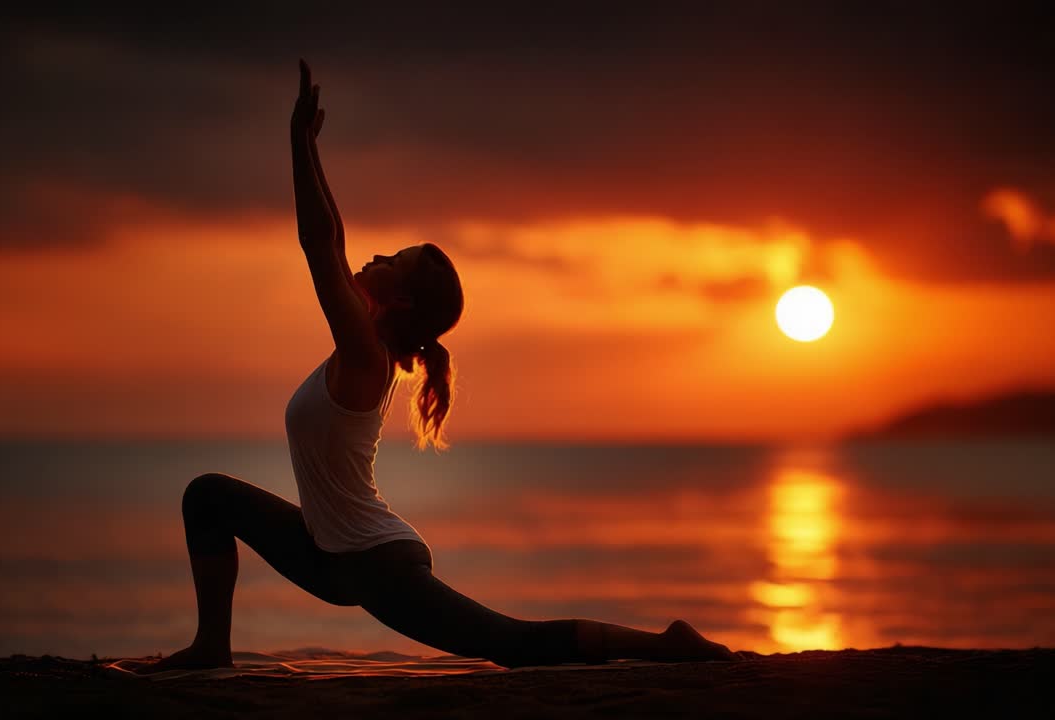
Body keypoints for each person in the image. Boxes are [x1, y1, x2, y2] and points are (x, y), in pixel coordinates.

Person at [136, 60, 739, 673]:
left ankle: (667, 646)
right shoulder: (365, 345)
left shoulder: (365, 355)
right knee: (208, 496)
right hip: (328, 554)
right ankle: (211, 647)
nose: (374, 254)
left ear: (398, 300)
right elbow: (335, 241)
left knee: (513, 646)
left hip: (374, 560)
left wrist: (295, 143)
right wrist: (313, 151)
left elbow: (318, 243)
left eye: (392, 258)